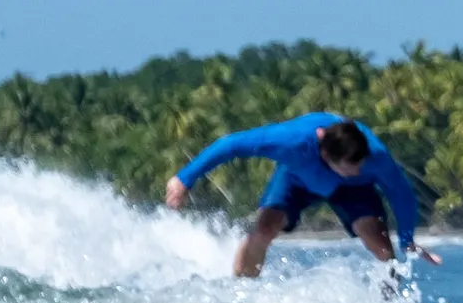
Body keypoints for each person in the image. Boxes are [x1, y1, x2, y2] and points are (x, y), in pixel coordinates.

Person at [164, 113, 434, 280]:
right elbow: (231, 144)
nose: (358, 169)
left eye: (360, 164)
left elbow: (402, 195)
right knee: (264, 228)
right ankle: (242, 291)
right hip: (297, 178)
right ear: (326, 155)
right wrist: (184, 179)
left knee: (381, 246)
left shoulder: (374, 158)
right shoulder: (290, 141)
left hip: (354, 191)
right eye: (350, 166)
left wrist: (408, 240)